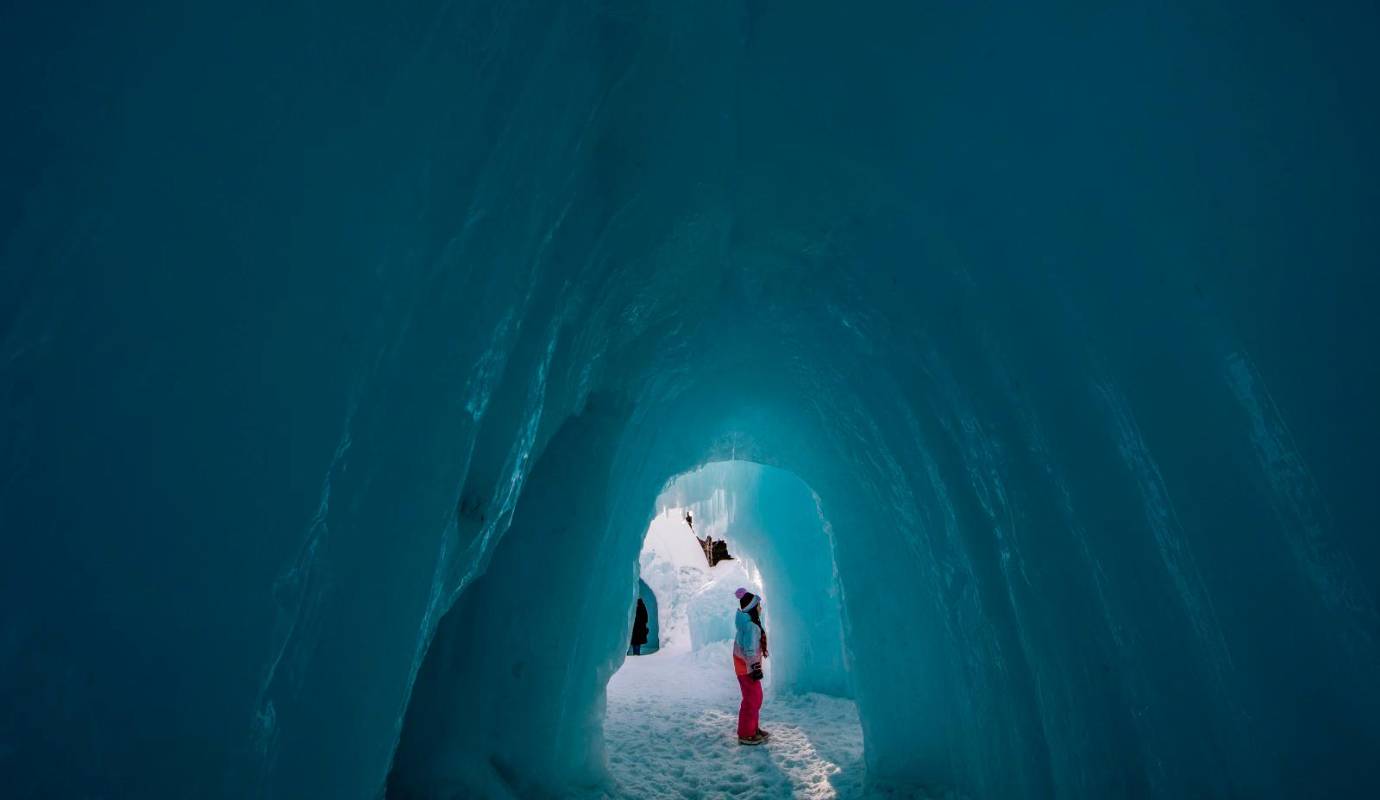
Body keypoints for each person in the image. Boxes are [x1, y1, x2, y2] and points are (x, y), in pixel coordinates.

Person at [732, 588, 770, 745]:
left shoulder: (749, 625)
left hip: (746, 667)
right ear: (753, 608)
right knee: (752, 699)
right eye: (759, 605)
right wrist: (755, 667)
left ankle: (752, 728)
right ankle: (746, 733)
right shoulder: (751, 627)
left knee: (755, 698)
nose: (761, 608)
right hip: (746, 668)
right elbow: (749, 650)